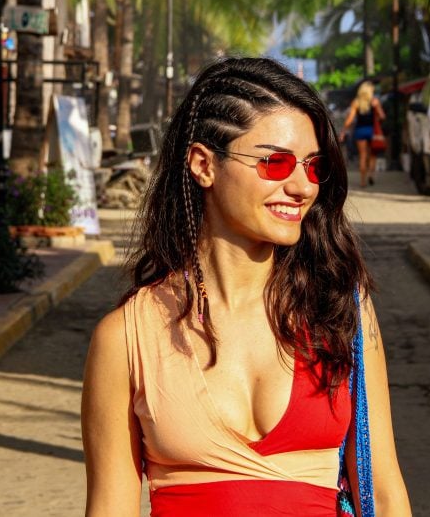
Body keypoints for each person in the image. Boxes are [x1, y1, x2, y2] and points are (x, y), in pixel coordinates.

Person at [82, 57, 411, 516]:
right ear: (203, 165)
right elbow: (109, 508)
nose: (301, 186)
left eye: (313, 167)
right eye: (275, 163)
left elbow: (386, 488)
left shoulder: (340, 310)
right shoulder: (125, 338)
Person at [341, 81, 387, 188]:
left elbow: (350, 120)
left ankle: (362, 181)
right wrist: (377, 109)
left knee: (362, 155)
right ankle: (371, 174)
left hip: (360, 130)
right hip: (372, 131)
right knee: (373, 155)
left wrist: (343, 130)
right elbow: (382, 117)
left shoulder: (356, 102)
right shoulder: (374, 101)